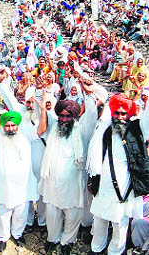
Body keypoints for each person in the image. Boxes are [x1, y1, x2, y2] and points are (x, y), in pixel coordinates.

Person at [86, 93, 149, 255]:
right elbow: (95, 158)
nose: (120, 117)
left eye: (123, 114)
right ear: (112, 112)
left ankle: (115, 252)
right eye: (117, 113)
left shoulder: (136, 130)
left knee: (120, 224)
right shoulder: (104, 130)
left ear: (129, 114)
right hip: (103, 186)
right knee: (99, 221)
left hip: (124, 189)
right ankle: (97, 249)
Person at [0, 96, 46, 252]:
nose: (10, 128)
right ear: (3, 126)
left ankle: (17, 234)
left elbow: (42, 129)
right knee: (2, 214)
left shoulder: (26, 134)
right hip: (3, 186)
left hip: (23, 186)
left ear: (17, 125)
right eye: (7, 125)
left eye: (13, 125)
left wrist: (43, 109)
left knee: (21, 213)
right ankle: (3, 237)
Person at [39, 99, 84, 255]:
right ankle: (53, 239)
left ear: (74, 117)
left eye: (68, 116)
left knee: (72, 215)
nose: (64, 120)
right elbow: (43, 113)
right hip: (52, 183)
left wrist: (90, 94)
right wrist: (44, 103)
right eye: (62, 116)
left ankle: (67, 241)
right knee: (52, 214)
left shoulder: (80, 130)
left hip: (72, 185)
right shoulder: (54, 129)